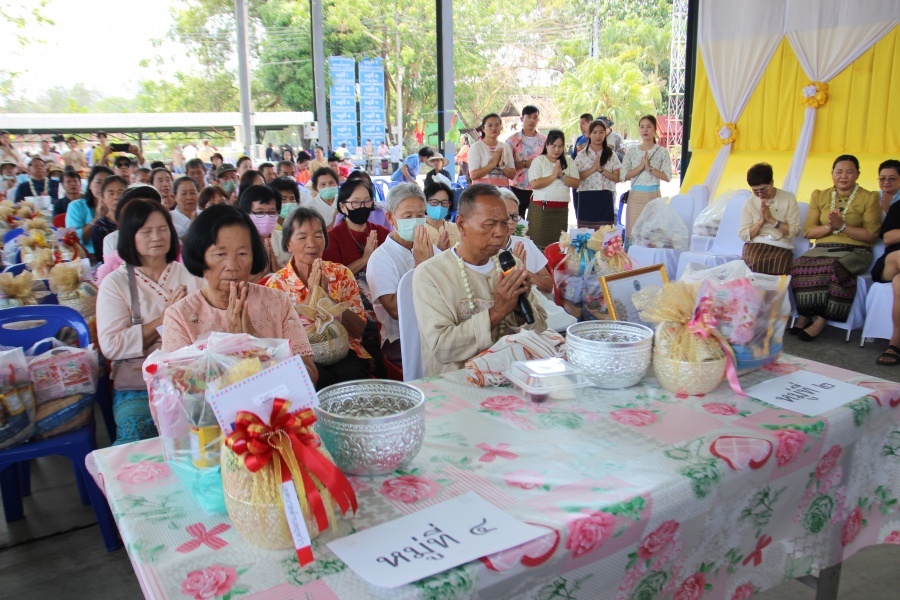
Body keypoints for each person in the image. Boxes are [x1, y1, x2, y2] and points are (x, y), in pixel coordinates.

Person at [162, 204, 318, 382]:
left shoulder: (276, 301)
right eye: (220, 254)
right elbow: (181, 390)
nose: (232, 266)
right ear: (200, 256)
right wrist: (235, 351)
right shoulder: (180, 316)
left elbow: (309, 376)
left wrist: (257, 345)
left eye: (242, 254)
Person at [97, 197, 203, 444]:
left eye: (163, 229)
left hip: (191, 373)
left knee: (213, 420)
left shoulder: (190, 273)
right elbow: (112, 345)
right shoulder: (116, 283)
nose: (157, 237)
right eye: (146, 232)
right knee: (137, 427)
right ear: (129, 236)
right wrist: (165, 318)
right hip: (139, 382)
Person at [413, 184, 548, 376]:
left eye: (504, 222)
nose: (500, 232)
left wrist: (519, 310)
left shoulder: (510, 264)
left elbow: (540, 329)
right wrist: (497, 311)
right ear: (461, 225)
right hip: (457, 382)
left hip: (512, 375)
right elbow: (442, 348)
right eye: (490, 224)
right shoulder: (430, 274)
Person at [267, 207, 373, 385]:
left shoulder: (341, 274)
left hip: (344, 348)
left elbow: (358, 330)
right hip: (301, 355)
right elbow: (277, 341)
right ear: (288, 244)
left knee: (351, 374)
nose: (312, 243)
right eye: (302, 237)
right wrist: (311, 298)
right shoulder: (276, 285)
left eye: (318, 236)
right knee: (316, 379)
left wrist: (327, 301)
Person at [789, 155, 881, 341]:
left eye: (849, 172)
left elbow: (871, 235)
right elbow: (809, 231)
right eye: (839, 172)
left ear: (858, 174)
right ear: (832, 174)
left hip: (856, 250)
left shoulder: (869, 197)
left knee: (834, 268)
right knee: (798, 266)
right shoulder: (820, 195)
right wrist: (830, 227)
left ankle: (821, 320)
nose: (843, 176)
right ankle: (805, 313)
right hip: (823, 248)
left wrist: (843, 226)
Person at [367, 183, 438, 367]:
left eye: (420, 215)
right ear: (390, 217)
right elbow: (396, 311)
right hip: (399, 338)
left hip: (435, 330)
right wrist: (420, 265)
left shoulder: (433, 250)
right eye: (408, 216)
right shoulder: (381, 258)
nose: (415, 221)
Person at [737, 163, 801, 275]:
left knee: (780, 267)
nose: (760, 194)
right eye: (755, 191)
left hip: (780, 246)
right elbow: (744, 235)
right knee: (753, 263)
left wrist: (772, 220)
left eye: (763, 189)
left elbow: (795, 231)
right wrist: (761, 221)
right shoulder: (749, 202)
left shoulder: (788, 198)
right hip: (756, 245)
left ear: (772, 183)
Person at [620, 115, 673, 240]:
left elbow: (667, 176)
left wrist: (650, 169)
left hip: (654, 196)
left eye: (649, 126)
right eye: (642, 127)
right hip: (635, 197)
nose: (645, 130)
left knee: (652, 234)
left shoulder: (662, 152)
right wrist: (640, 167)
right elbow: (623, 176)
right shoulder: (631, 151)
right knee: (633, 233)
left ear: (655, 129)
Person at [322, 178, 389, 275]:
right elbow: (334, 276)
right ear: (342, 207)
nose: (362, 206)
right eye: (356, 202)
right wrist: (365, 259)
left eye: (367, 201)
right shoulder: (331, 238)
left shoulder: (382, 232)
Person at [527, 129, 580, 249]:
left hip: (560, 210)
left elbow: (576, 183)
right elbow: (534, 184)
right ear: (547, 145)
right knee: (537, 244)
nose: (557, 150)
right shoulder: (539, 161)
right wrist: (553, 176)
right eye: (553, 146)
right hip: (541, 209)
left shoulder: (569, 161)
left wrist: (562, 176)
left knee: (557, 246)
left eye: (560, 146)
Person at [871, 160, 900, 365]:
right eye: (883, 178)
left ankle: (895, 344)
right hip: (891, 261)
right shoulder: (898, 206)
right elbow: (889, 238)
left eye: (892, 178)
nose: (887, 182)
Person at [498, 188, 553, 293]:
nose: (511, 221)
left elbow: (549, 286)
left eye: (515, 216)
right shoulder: (487, 251)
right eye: (507, 216)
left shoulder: (525, 243)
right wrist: (514, 270)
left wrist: (525, 273)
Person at [574, 119, 622, 229]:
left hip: (605, 197)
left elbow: (618, 178)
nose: (598, 136)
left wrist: (602, 171)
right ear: (589, 134)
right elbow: (576, 178)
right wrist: (592, 169)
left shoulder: (610, 154)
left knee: (605, 233)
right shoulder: (582, 155)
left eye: (601, 132)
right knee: (586, 233)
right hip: (586, 197)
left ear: (605, 134)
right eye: (594, 132)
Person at [506, 105, 546, 218]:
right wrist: (525, 163)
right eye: (529, 117)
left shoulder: (545, 140)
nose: (532, 120)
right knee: (517, 220)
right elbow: (507, 165)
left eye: (535, 117)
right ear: (522, 119)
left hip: (539, 187)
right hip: (518, 187)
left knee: (537, 221)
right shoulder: (512, 140)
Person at [66, 165, 112, 257]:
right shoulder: (76, 206)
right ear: (90, 185)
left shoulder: (118, 207)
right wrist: (97, 218)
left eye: (107, 183)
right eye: (99, 182)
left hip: (115, 256)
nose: (102, 187)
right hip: (87, 256)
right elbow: (74, 238)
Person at [237, 184, 282, 275]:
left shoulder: (285, 240)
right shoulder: (237, 243)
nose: (267, 217)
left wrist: (280, 273)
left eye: (272, 212)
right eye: (259, 212)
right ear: (246, 214)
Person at [468, 115, 515, 187]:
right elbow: (473, 175)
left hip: (502, 191)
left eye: (497, 125)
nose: (493, 128)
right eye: (490, 125)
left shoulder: (506, 147)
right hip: (482, 190)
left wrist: (502, 166)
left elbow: (512, 175)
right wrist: (493, 163)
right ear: (483, 128)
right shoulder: (476, 147)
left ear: (500, 128)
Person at [91, 175, 129, 263]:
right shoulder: (99, 227)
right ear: (103, 198)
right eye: (111, 193)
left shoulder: (135, 220)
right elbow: (101, 260)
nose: (116, 197)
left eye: (120, 192)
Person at [422, 180, 460, 250]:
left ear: (449, 204)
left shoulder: (457, 229)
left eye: (444, 202)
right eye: (434, 202)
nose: (439, 206)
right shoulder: (419, 232)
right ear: (425, 203)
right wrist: (439, 250)